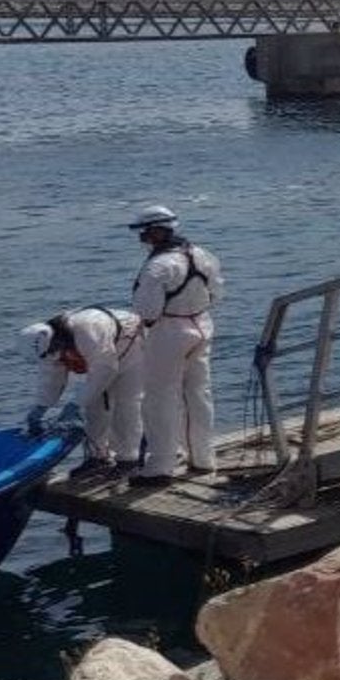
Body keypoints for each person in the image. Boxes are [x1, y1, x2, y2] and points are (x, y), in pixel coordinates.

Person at [129, 205, 225, 484]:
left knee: (160, 399)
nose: (141, 239)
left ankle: (160, 465)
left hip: (169, 330)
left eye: (144, 233)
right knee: (198, 394)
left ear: (157, 232)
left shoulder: (157, 266)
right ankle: (203, 458)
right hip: (202, 324)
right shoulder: (203, 255)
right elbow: (217, 293)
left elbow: (147, 311)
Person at [19, 306, 146, 480]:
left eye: (53, 352)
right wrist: (40, 407)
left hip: (132, 345)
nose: (54, 357)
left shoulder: (89, 329)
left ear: (56, 341)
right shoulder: (48, 347)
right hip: (103, 358)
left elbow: (105, 370)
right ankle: (98, 457)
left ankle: (129, 459)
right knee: (93, 408)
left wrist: (74, 405)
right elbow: (51, 378)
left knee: (126, 406)